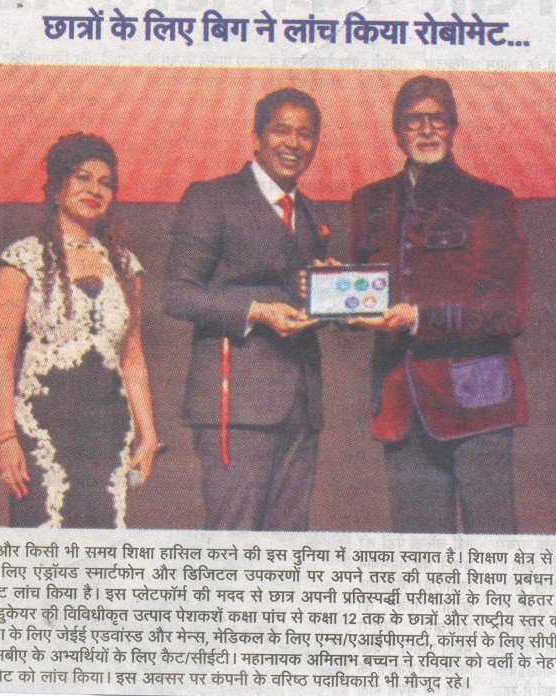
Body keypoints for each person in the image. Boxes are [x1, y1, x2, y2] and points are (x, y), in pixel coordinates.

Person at [350, 75, 530, 533]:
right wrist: (336, 290)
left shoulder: (489, 201)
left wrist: (421, 318)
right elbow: (361, 303)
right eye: (414, 120)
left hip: (479, 404)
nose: (427, 129)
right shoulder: (368, 201)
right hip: (400, 405)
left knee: (493, 551)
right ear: (396, 131)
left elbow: (509, 310)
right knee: (420, 556)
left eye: (438, 119)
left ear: (454, 127)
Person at [163, 88, 330, 531]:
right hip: (237, 404)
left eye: (306, 134)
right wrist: (257, 310)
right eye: (281, 131)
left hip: (302, 405)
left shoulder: (311, 214)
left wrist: (331, 291)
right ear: (256, 138)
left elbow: (306, 299)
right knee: (234, 543)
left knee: (287, 549)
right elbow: (177, 294)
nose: (293, 143)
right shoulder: (212, 197)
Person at [0, 133, 159, 528]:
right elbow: (2, 358)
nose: (94, 190)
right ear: (57, 186)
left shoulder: (126, 266)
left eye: (105, 182)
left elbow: (132, 358)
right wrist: (6, 437)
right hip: (41, 426)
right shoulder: (23, 258)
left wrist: (149, 435)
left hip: (108, 430)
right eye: (83, 177)